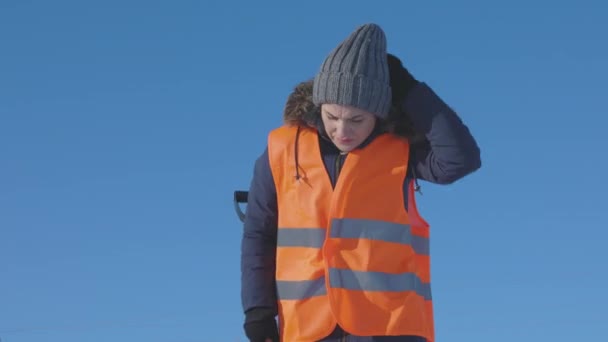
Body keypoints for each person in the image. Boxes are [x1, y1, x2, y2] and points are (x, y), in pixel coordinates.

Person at [240, 23, 481, 342]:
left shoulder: (399, 152)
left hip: (391, 327)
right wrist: (257, 310)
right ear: (317, 105)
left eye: (356, 120)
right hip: (307, 326)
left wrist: (410, 90)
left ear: (378, 114)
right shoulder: (284, 149)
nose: (342, 131)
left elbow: (460, 159)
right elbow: (259, 233)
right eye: (332, 116)